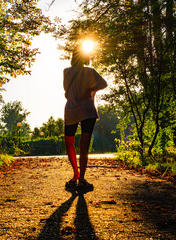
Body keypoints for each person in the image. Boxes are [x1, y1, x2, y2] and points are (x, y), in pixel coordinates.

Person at [63, 44, 107, 189]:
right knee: (84, 145)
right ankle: (82, 179)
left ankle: (76, 174)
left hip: (71, 109)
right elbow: (103, 83)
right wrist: (89, 89)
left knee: (69, 142)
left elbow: (66, 91)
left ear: (73, 56)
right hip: (87, 109)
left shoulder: (66, 72)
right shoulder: (90, 71)